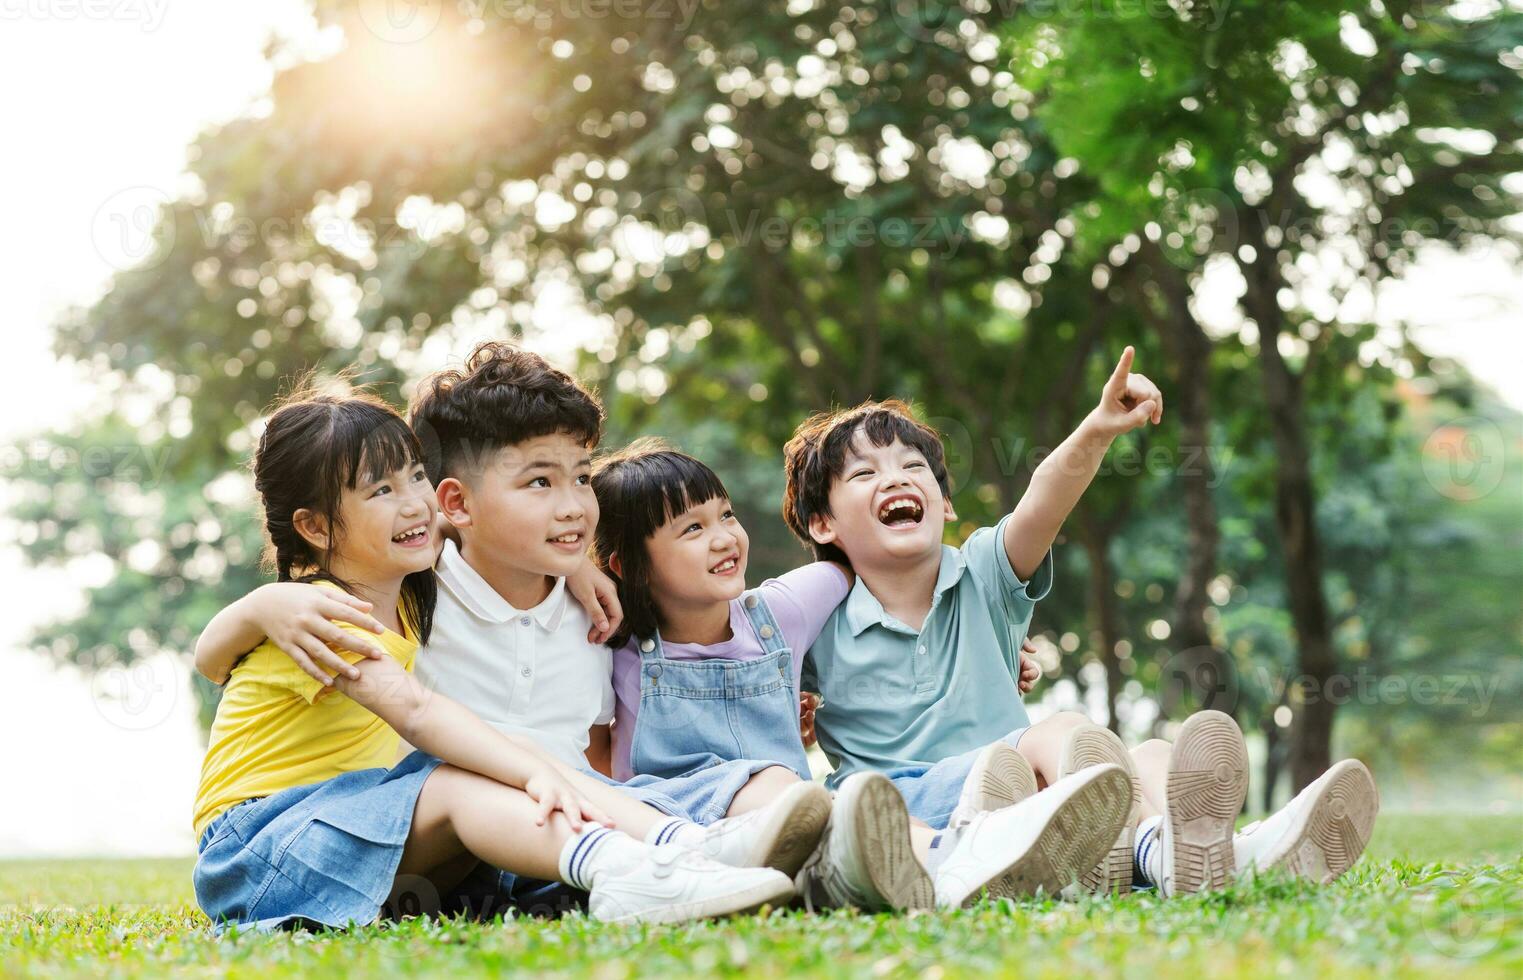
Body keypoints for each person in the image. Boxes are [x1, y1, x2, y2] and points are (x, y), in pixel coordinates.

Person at [196, 344, 834, 909]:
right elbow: (415, 710)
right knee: (460, 772)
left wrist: (575, 563)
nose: (412, 500)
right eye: (381, 489)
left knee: (553, 775)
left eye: (414, 476)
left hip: (362, 825)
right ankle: (628, 868)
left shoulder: (408, 588)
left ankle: (687, 845)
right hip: (258, 842)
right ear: (313, 526)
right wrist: (257, 606)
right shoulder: (322, 613)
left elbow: (462, 523)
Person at [782, 348, 1379, 895]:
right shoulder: (814, 617)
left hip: (1032, 797)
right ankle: (1161, 849)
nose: (895, 478)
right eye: (863, 474)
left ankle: (1219, 850)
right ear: (822, 525)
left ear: (945, 504)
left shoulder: (985, 573)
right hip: (912, 811)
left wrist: (1096, 431)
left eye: (913, 467)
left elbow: (1046, 497)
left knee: (1147, 756)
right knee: (1061, 729)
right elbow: (742, 677)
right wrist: (795, 712)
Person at [590, 439, 1133, 910]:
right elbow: (592, 748)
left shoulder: (787, 607)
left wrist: (992, 642)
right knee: (785, 787)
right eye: (691, 529)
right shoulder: (611, 643)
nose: (724, 538)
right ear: (626, 566)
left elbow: (873, 562)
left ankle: (959, 855)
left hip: (793, 823)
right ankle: (955, 856)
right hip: (674, 821)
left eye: (726, 516)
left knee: (804, 799)